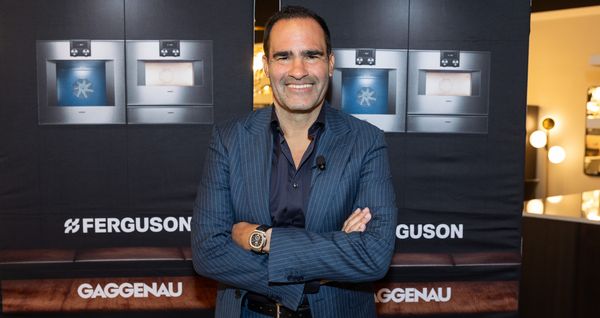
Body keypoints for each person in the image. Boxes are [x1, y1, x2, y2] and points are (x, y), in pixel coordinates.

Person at [192, 5, 397, 318]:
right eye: (283, 56)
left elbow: (373, 256)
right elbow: (209, 252)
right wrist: (327, 260)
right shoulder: (229, 139)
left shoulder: (366, 141)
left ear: (330, 64)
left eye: (311, 55)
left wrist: (261, 238)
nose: (298, 70)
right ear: (266, 65)